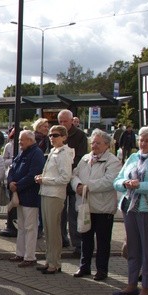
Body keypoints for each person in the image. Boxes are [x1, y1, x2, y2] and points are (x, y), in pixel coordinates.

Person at [112, 125, 148, 295]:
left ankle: (146, 288)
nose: (143, 143)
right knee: (132, 248)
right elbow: (117, 181)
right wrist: (125, 183)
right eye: (141, 140)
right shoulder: (132, 157)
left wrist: (140, 185)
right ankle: (131, 284)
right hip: (129, 207)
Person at [71, 129, 122, 281]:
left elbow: (108, 182)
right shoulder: (85, 158)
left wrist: (86, 187)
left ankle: (101, 270)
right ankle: (84, 266)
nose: (94, 146)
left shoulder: (113, 161)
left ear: (107, 145)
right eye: (92, 142)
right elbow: (74, 174)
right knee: (85, 238)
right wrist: (77, 185)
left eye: (98, 143)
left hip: (103, 208)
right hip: (86, 207)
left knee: (103, 241)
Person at [33, 125, 73, 273]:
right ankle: (50, 260)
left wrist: (45, 180)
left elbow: (65, 178)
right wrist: (43, 179)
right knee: (48, 230)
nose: (52, 138)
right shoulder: (54, 151)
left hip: (55, 194)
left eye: (55, 135)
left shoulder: (64, 153)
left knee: (54, 229)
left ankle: (55, 263)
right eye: (50, 135)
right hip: (46, 192)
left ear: (63, 137)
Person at [7, 130, 45, 266]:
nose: (19, 143)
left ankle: (30, 257)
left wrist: (17, 185)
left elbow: (33, 175)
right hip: (20, 196)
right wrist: (10, 181)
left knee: (30, 228)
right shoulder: (22, 152)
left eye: (22, 140)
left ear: (30, 140)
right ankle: (20, 254)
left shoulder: (37, 154)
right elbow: (12, 168)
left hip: (30, 197)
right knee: (21, 227)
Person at [58, 109, 87, 257]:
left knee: (74, 214)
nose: (63, 124)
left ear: (71, 121)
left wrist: (67, 169)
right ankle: (62, 239)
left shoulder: (80, 135)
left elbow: (80, 158)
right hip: (61, 181)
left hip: (74, 179)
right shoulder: (57, 134)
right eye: (60, 121)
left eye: (65, 121)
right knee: (60, 213)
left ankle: (78, 244)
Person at [0, 128, 18, 237]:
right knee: (10, 200)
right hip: (9, 175)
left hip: (18, 177)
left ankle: (15, 222)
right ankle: (10, 221)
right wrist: (13, 160)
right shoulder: (9, 146)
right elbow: (4, 160)